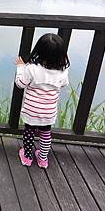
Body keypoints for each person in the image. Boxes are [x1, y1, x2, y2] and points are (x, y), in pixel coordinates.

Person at [14, 33, 70, 168]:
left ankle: (27, 157)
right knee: (46, 135)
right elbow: (64, 84)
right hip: (48, 112)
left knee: (29, 133)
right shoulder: (63, 71)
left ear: (39, 51)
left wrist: (20, 67)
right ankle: (43, 159)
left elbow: (20, 84)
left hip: (32, 110)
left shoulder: (32, 69)